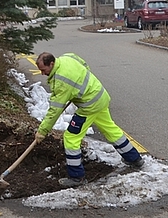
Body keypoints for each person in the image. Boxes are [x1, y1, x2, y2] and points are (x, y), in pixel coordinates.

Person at [34, 52, 144, 187]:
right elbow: (84, 65)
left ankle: (77, 178)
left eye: (43, 70)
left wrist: (42, 131)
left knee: (71, 138)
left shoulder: (61, 81)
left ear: (51, 63)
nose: (42, 73)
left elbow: (54, 111)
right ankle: (135, 159)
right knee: (111, 130)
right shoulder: (67, 57)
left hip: (89, 106)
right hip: (100, 96)